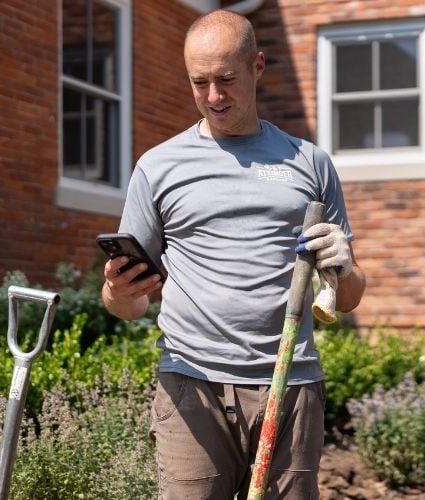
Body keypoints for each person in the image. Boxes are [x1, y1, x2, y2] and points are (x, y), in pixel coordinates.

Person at [100, 10, 366, 499]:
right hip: (192, 383)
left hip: (290, 383)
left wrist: (343, 266)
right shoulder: (159, 167)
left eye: (226, 79)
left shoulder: (309, 163)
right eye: (199, 83)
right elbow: (128, 305)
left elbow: (347, 299)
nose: (214, 97)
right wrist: (117, 291)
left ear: (258, 66)